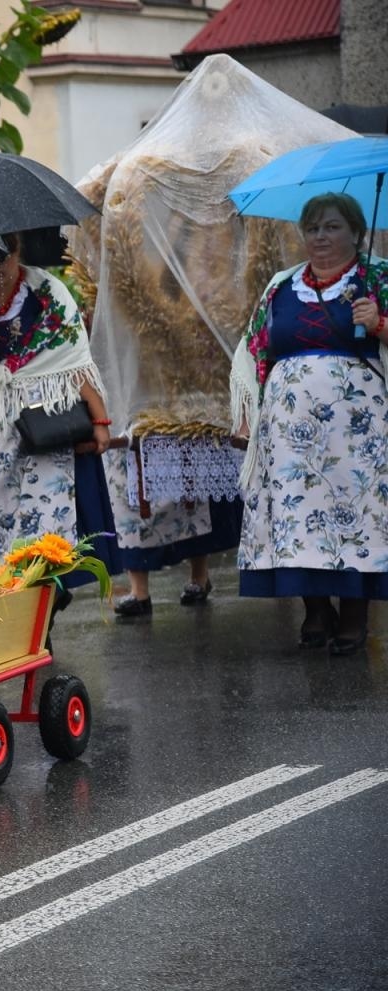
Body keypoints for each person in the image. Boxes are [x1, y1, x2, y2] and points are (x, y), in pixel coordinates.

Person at [230, 192, 388, 655]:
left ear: (356, 232)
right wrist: (245, 414)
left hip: (357, 432)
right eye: (313, 227)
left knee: (354, 515)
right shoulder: (282, 285)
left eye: (333, 226)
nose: (321, 236)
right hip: (287, 433)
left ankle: (354, 615)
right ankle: (316, 608)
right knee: (297, 515)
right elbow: (254, 348)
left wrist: (378, 323)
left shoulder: (377, 276)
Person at [0, 234, 119, 581]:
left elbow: (74, 361)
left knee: (45, 517)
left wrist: (100, 419)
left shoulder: (48, 295)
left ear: (16, 250)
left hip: (44, 418)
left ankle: (45, 608)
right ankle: (8, 602)